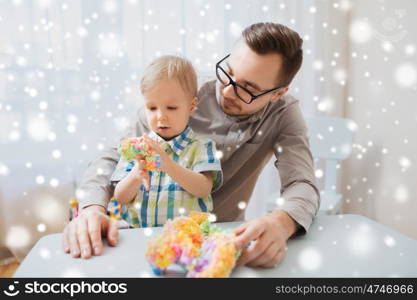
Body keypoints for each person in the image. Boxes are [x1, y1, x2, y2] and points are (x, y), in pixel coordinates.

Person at [63, 22, 320, 269]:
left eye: (248, 89)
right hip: (147, 235)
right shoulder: (181, 93)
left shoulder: (283, 113)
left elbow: (302, 183)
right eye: (228, 72)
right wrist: (91, 208)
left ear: (277, 93)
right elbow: (112, 157)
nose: (228, 91)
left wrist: (281, 221)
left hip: (220, 239)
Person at [111, 55, 222, 228]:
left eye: (171, 108)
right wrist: (135, 175)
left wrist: (168, 164)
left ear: (191, 106)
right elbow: (120, 197)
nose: (160, 116)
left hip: (185, 238)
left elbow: (203, 189)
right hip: (138, 234)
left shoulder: (201, 146)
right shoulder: (137, 147)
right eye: (152, 108)